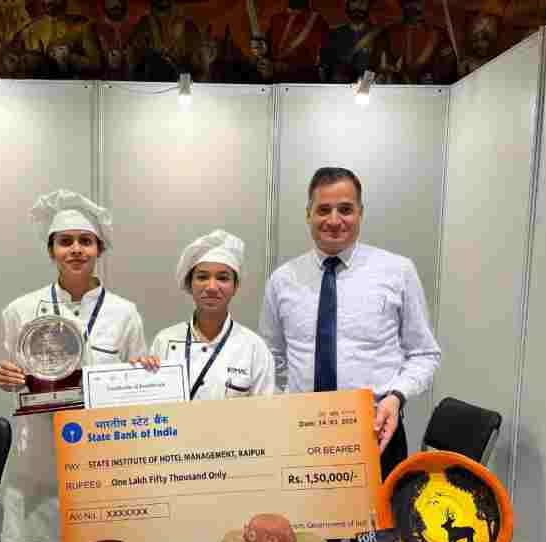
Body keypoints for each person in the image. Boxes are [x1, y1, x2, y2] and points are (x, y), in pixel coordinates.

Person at [260, 167, 441, 482]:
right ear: (308, 214)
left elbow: (424, 354)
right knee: (307, 517)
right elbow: (270, 357)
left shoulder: (397, 272)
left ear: (360, 213)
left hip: (377, 433)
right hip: (302, 438)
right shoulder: (282, 280)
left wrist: (396, 397)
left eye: (345, 209)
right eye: (323, 210)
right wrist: (282, 409)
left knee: (379, 517)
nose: (334, 220)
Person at [0, 190, 147, 542]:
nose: (76, 249)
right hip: (37, 467)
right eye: (65, 242)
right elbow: (18, 376)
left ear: (99, 249)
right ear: (51, 251)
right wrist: (6, 377)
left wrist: (146, 374)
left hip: (102, 464)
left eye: (85, 241)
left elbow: (136, 388)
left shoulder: (125, 314)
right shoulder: (20, 310)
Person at [134, 230, 274, 400]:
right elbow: (152, 404)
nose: (212, 287)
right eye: (202, 277)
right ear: (189, 283)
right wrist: (138, 377)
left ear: (236, 286)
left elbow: (265, 410)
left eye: (222, 278)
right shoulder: (164, 341)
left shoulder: (254, 348)